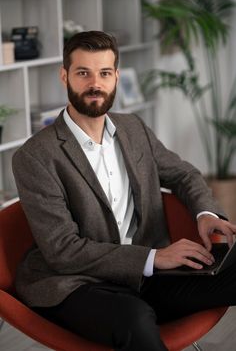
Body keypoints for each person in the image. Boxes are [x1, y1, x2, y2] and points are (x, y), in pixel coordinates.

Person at [12, 30, 236, 351]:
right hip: (80, 283)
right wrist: (153, 257)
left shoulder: (134, 128)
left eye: (104, 73)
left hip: (149, 275)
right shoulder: (35, 156)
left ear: (116, 76)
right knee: (134, 319)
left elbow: (183, 174)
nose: (95, 84)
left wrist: (205, 213)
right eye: (82, 73)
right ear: (64, 76)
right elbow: (63, 250)